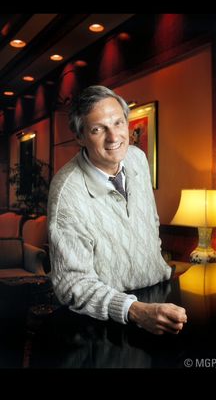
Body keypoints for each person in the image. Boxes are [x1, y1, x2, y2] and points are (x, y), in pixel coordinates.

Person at [47, 85, 187, 335]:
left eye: (118, 123)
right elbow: (72, 285)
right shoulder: (67, 191)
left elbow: (150, 221)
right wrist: (135, 310)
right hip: (106, 322)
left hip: (157, 297)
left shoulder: (137, 158)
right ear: (80, 137)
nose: (114, 137)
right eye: (98, 129)